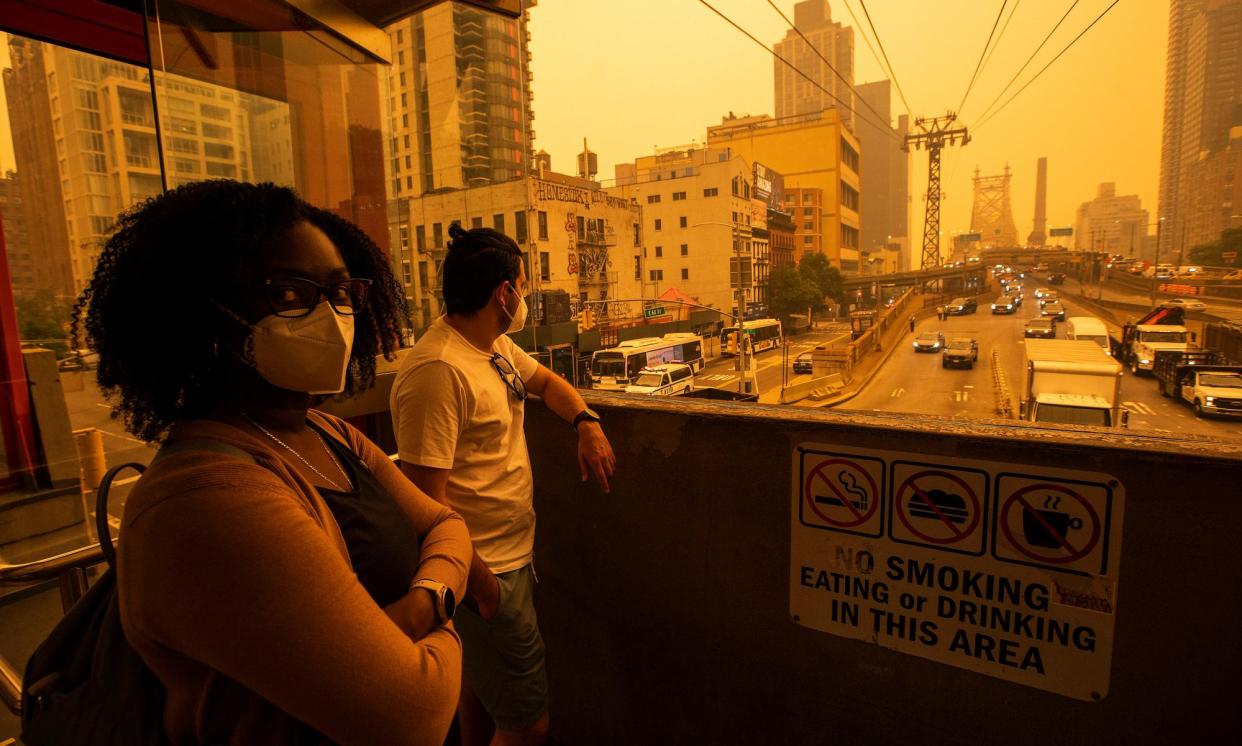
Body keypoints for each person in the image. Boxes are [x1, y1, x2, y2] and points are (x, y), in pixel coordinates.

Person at [75, 180, 472, 745]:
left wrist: (422, 604)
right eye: (290, 294)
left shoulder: (325, 432)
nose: (332, 316)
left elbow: (445, 523)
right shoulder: (205, 502)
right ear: (205, 315)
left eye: (342, 293)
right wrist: (450, 606)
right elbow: (414, 715)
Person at [390, 225, 617, 746]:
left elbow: (546, 383)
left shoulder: (493, 348)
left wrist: (586, 422)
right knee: (527, 724)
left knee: (479, 696)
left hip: (509, 559)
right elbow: (424, 504)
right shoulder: (439, 371)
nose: (525, 296)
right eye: (522, 284)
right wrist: (485, 588)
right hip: (483, 572)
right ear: (504, 293)